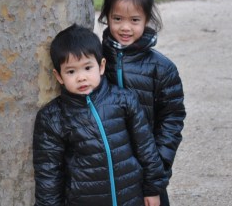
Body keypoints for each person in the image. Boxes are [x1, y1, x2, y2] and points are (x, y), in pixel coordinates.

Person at [33, 24, 167, 206]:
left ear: (101, 66)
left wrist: (153, 189)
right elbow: (48, 174)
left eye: (88, 68)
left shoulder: (124, 100)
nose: (81, 77)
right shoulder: (52, 117)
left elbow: (146, 148)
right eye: (71, 71)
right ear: (59, 76)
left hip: (130, 197)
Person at [98, 0, 186, 206]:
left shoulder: (161, 68)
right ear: (107, 16)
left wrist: (155, 180)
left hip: (146, 170)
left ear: (147, 19)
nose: (125, 27)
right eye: (117, 18)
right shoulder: (94, 62)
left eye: (135, 20)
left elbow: (171, 122)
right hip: (106, 172)